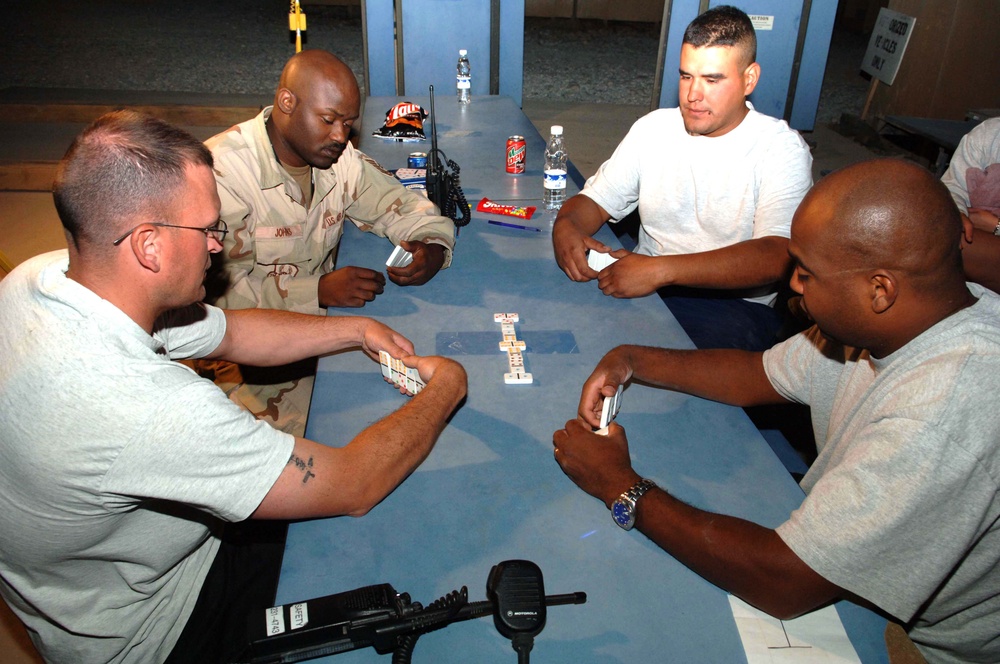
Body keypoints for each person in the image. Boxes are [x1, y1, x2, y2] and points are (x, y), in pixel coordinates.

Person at [0, 110, 467, 664]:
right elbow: (355, 484)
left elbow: (231, 332)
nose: (218, 247)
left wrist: (355, 331)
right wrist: (447, 389)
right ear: (148, 245)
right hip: (161, 627)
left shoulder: (44, 277)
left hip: (90, 587)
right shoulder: (150, 408)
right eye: (206, 230)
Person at [553, 158, 1000, 663]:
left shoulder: (941, 413)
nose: (794, 287)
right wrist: (631, 359)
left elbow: (785, 583)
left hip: (917, 645)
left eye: (807, 274)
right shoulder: (914, 314)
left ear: (880, 290)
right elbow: (754, 375)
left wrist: (619, 484)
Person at [198, 49, 457, 436]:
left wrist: (431, 244)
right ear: (287, 103)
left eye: (348, 123)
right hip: (246, 366)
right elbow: (214, 301)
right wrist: (316, 290)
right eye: (328, 120)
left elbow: (396, 202)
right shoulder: (221, 175)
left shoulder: (337, 158)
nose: (340, 136)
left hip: (325, 331)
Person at [551, 5, 812, 351]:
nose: (693, 95)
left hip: (732, 311)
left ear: (749, 79)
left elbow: (776, 255)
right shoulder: (654, 128)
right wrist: (566, 225)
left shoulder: (780, 149)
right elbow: (595, 201)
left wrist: (662, 270)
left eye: (712, 79)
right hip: (645, 287)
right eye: (686, 76)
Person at [941, 116, 1000, 292]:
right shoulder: (989, 133)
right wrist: (957, 213)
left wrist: (996, 226)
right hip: (976, 231)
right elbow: (954, 185)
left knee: (941, 245)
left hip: (988, 235)